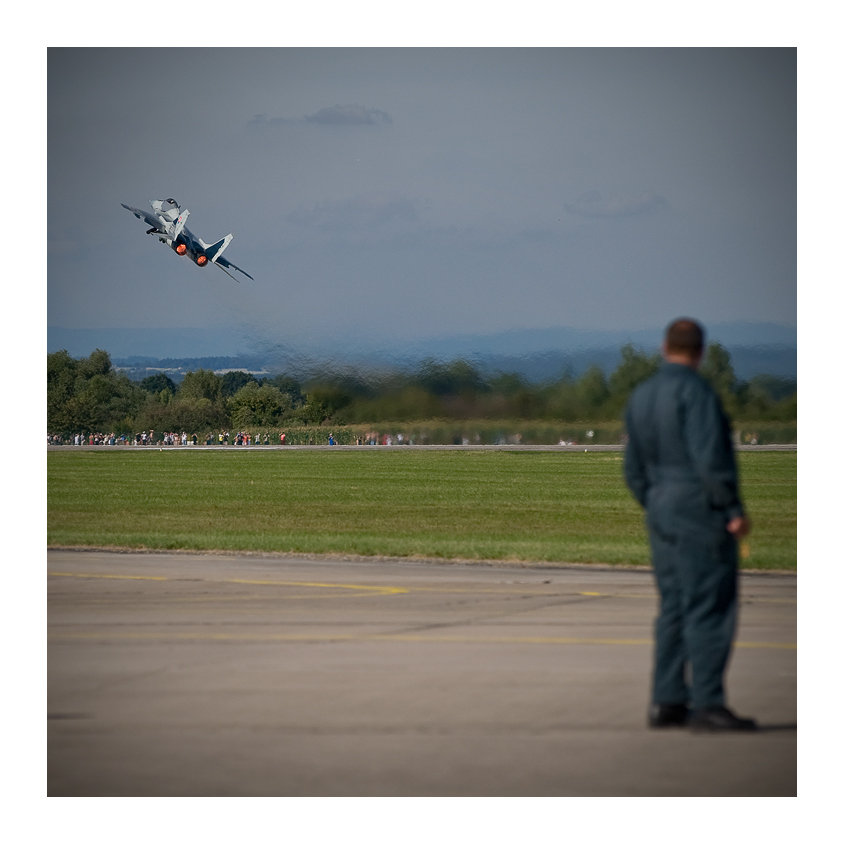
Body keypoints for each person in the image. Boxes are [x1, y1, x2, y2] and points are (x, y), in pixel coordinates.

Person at [623, 318, 756, 732]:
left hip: (660, 504)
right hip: (697, 507)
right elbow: (710, 459)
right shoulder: (696, 392)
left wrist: (655, 500)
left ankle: (667, 701)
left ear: (665, 347)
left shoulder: (642, 394)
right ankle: (708, 702)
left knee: (674, 606)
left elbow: (632, 467)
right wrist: (731, 507)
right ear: (700, 351)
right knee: (709, 606)